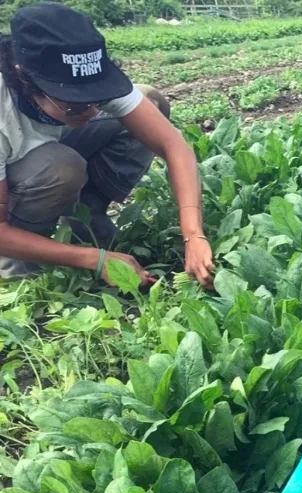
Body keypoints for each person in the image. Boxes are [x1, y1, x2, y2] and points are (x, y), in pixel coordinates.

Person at [0, 2, 214, 288]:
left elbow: (172, 144)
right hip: (19, 183)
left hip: (44, 150)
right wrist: (93, 260)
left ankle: (85, 221)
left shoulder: (76, 77)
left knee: (149, 101)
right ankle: (20, 269)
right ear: (25, 79)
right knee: (61, 167)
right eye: (75, 106)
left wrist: (194, 233)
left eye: (96, 100)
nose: (91, 113)